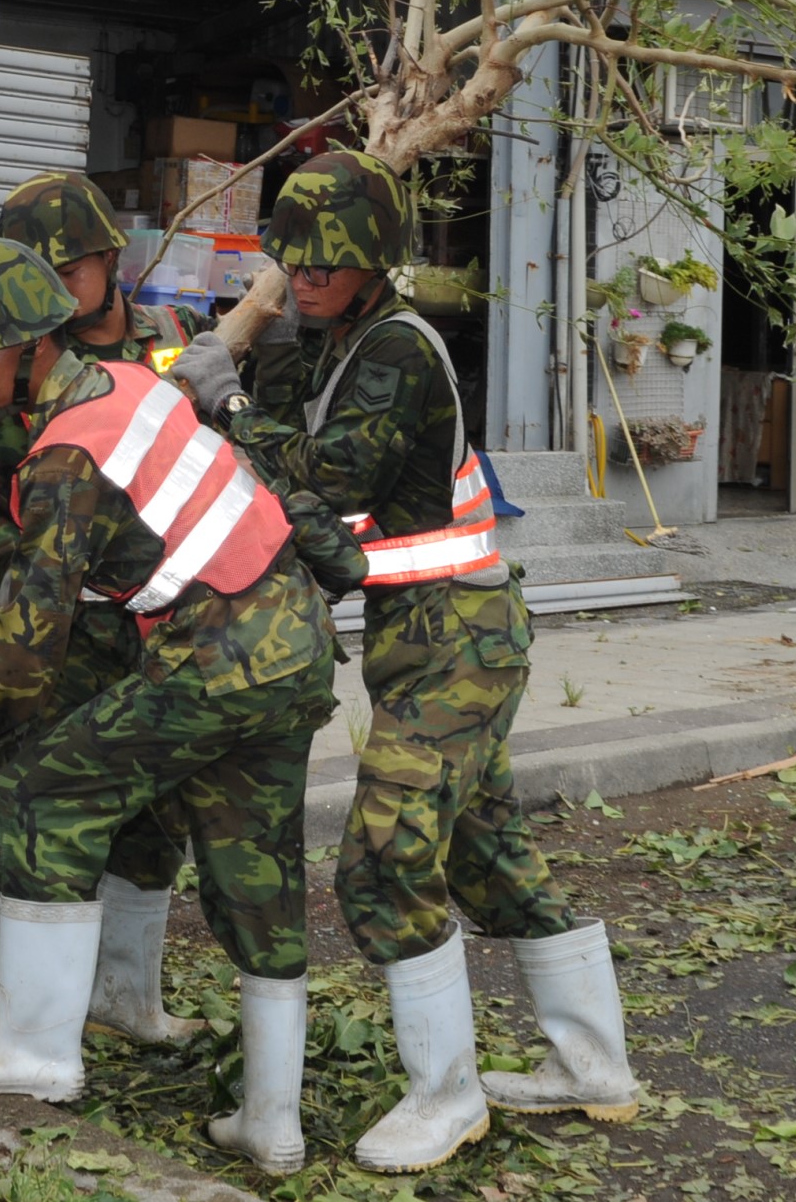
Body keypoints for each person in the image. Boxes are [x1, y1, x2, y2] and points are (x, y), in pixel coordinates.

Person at [169, 151, 639, 1175]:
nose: (306, 279)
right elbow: (278, 417)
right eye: (292, 260)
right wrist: (238, 356)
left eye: (326, 264)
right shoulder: (324, 341)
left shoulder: (398, 351)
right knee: (487, 855)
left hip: (456, 640)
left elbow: (323, 476)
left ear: (375, 262)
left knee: (381, 860)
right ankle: (593, 1070)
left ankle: (446, 1095)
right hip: (424, 640)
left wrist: (229, 408)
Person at [0, 240, 356, 1176]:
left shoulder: (67, 455)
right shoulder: (129, 385)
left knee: (35, 794)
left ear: (31, 344)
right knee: (255, 870)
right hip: (292, 651)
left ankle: (34, 1049)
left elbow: (25, 648)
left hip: (216, 657)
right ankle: (271, 1122)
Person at [0, 173, 215, 1064]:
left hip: (161, 620)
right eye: (46, 263)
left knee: (153, 822)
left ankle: (125, 996)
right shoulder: (8, 372)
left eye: (76, 259)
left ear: (109, 258)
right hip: (49, 618)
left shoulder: (171, 342)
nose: (63, 277)